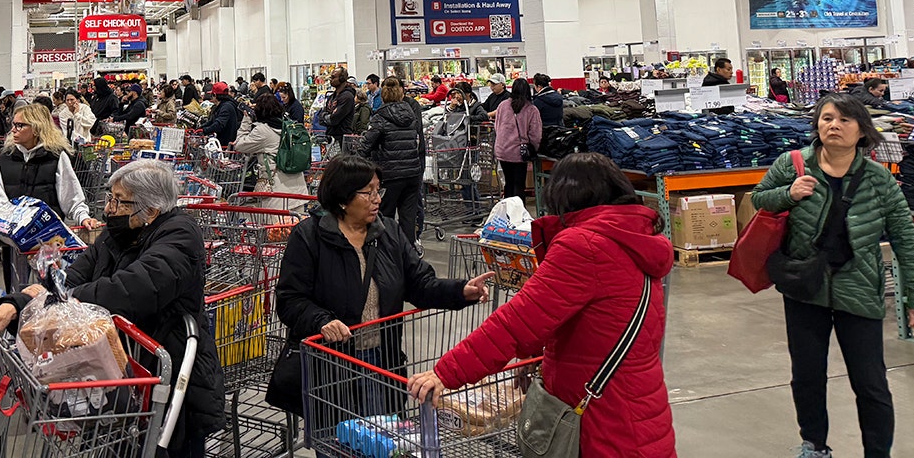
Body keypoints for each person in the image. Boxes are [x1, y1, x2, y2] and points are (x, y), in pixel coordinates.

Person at [408, 152, 677, 458]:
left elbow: (516, 322)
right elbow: (594, 319)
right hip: (639, 409)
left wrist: (446, 373)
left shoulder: (585, 245)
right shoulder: (635, 238)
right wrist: (539, 355)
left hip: (602, 425)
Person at [0, 160, 226, 457]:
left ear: (151, 211)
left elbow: (131, 289)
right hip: (113, 372)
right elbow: (71, 277)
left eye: (119, 201)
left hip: (168, 380)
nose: (108, 208)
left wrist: (67, 299)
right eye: (110, 197)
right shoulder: (116, 235)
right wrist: (16, 306)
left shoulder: (181, 236)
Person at [750, 92, 914, 458]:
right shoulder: (793, 163)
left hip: (859, 289)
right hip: (804, 288)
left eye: (845, 120)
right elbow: (758, 198)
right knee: (807, 376)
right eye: (827, 118)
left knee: (871, 382)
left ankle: (877, 452)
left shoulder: (879, 181)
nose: (834, 125)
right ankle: (814, 445)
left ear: (863, 131)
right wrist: (788, 193)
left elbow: (907, 243)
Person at [268, 155, 492, 416]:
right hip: (331, 368)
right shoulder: (309, 237)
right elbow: (290, 299)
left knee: (385, 441)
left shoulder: (389, 233)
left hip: (382, 361)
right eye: (368, 192)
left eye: (379, 190)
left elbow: (420, 284)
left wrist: (461, 290)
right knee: (339, 443)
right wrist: (321, 321)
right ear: (342, 198)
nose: (378, 199)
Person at [0, 103, 100, 292]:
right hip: (15, 244)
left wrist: (84, 217)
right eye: (13, 124)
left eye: (20, 125)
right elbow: (0, 199)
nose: (13, 130)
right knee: (18, 292)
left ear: (36, 128)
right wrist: (7, 228)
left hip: (50, 242)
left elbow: (71, 195)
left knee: (51, 293)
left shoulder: (56, 157)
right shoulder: (5, 158)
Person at [357, 78, 426, 246]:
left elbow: (366, 145)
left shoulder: (380, 116)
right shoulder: (411, 114)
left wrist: (357, 159)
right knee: (408, 218)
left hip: (390, 174)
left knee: (383, 217)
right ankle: (408, 255)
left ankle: (385, 253)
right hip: (412, 174)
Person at [232, 94, 309, 209]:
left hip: (277, 194)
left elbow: (239, 145)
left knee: (275, 226)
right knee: (296, 225)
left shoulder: (263, 131)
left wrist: (246, 121)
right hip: (298, 190)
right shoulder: (288, 126)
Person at [494, 79, 542, 200]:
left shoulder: (502, 105)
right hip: (519, 153)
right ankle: (519, 215)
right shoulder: (531, 109)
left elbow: (497, 126)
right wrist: (532, 149)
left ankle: (508, 213)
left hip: (502, 150)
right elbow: (535, 134)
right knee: (519, 185)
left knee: (508, 183)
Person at [323, 68, 357, 150]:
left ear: (342, 79)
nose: (331, 79)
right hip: (331, 137)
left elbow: (334, 119)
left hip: (342, 139)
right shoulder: (332, 96)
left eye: (333, 77)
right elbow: (321, 115)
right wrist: (327, 116)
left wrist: (328, 117)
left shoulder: (347, 97)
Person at [201, 81, 241, 146]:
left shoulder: (226, 107)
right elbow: (212, 121)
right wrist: (201, 128)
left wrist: (205, 130)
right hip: (223, 140)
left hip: (226, 143)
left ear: (215, 95)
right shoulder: (223, 105)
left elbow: (219, 124)